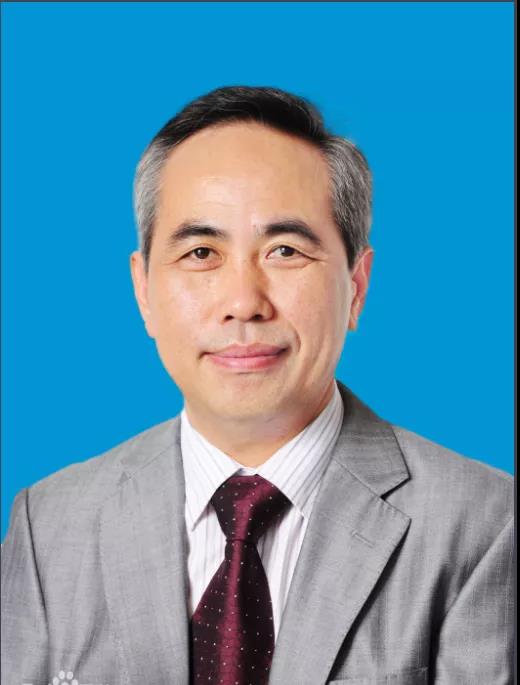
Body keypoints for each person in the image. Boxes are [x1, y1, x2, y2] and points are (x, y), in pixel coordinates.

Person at [1, 86, 513, 685]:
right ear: (143, 291)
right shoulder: (49, 524)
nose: (243, 302)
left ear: (356, 285)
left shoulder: (485, 525)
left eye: (285, 250)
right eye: (201, 252)